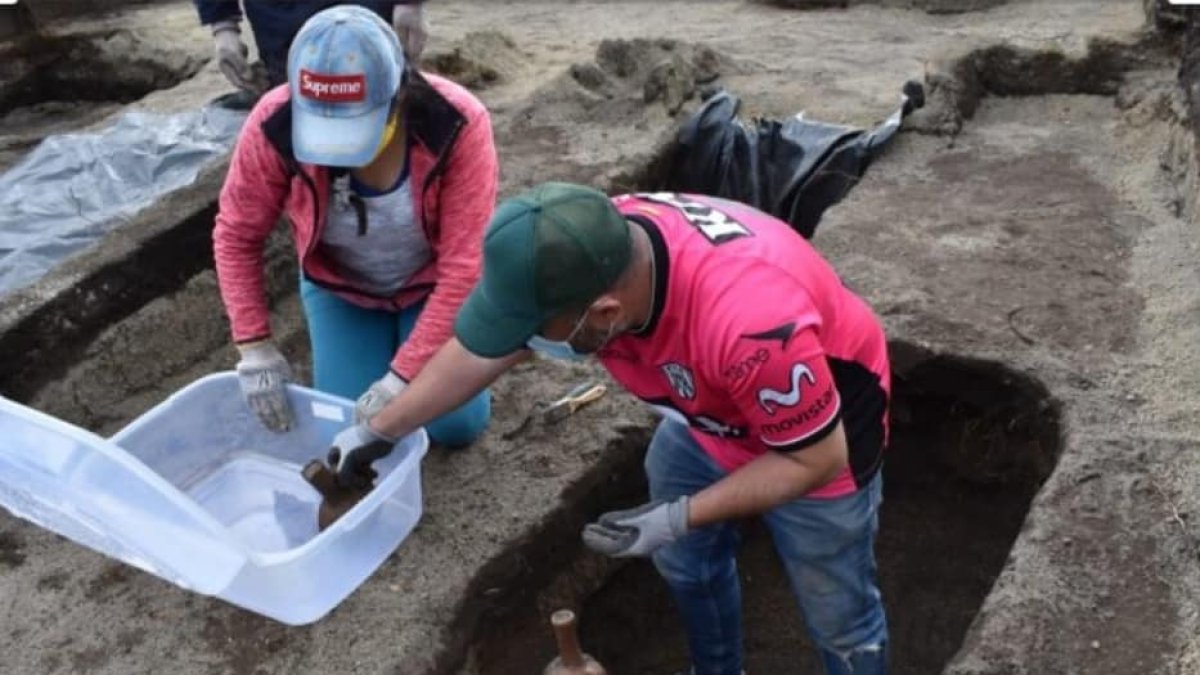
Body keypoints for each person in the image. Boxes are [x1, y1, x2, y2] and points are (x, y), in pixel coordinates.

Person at [328, 183, 892, 674]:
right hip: (706, 414)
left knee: (836, 608)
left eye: (537, 331)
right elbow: (489, 349)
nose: (528, 343)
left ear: (605, 314)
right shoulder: (579, 244)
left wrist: (680, 515)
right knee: (685, 560)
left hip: (822, 438)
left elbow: (815, 460)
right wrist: (382, 428)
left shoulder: (753, 326)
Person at [212, 5, 496, 448]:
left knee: (452, 425)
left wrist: (401, 379)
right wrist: (255, 348)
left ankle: (439, 352)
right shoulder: (275, 123)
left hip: (433, 284)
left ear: (397, 96)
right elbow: (236, 234)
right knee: (344, 425)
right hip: (341, 287)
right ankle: (385, 348)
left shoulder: (455, 123)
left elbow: (464, 269)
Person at [193, 0, 428, 94]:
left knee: (381, 103)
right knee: (302, 110)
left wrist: (409, 3)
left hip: (368, 10)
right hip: (282, 19)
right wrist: (222, 23)